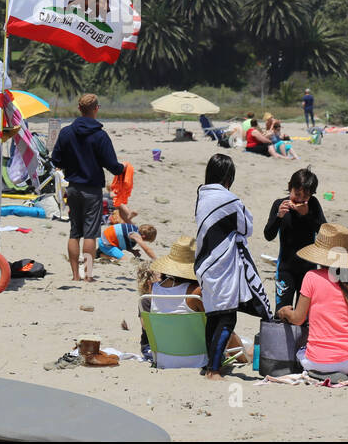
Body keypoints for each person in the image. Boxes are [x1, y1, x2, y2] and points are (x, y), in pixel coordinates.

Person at [194, 153, 271, 380]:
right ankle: (214, 370)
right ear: (229, 177)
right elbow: (246, 227)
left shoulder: (201, 196)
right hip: (223, 264)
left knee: (214, 315)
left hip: (205, 264)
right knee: (227, 317)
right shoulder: (230, 200)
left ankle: (210, 363)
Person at [276, 223, 348, 382]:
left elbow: (298, 318)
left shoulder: (312, 277)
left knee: (302, 354)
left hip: (321, 361)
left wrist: (284, 312)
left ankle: (323, 373)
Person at [140, 236, 249, 366]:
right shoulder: (196, 293)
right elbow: (220, 329)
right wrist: (243, 358)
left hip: (164, 359)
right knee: (234, 335)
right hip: (198, 359)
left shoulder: (153, 289)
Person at [51, 93, 125, 283]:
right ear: (96, 109)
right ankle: (88, 275)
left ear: (79, 109)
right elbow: (111, 164)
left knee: (75, 231)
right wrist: (122, 168)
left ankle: (76, 275)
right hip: (92, 189)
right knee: (91, 234)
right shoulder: (100, 135)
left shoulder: (66, 132)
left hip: (73, 188)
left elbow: (56, 160)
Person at [263, 167, 328, 310]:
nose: (299, 199)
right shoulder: (279, 204)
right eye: (297, 194)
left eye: (305, 197)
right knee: (282, 312)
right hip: (286, 268)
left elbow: (325, 232)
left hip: (308, 270)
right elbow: (268, 235)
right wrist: (279, 216)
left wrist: (307, 215)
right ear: (290, 187)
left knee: (303, 316)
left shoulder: (313, 205)